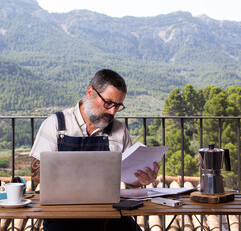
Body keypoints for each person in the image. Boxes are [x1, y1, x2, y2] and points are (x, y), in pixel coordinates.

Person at [29, 69, 160, 231]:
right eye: (108, 103)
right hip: (62, 214)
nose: (112, 111)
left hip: (110, 215)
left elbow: (130, 181)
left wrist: (142, 178)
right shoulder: (56, 124)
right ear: (90, 92)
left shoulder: (119, 130)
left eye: (118, 106)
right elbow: (35, 174)